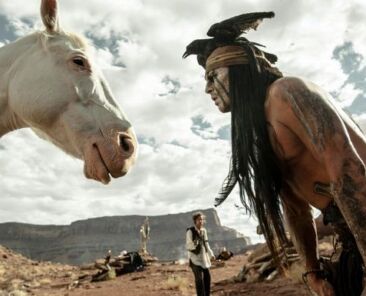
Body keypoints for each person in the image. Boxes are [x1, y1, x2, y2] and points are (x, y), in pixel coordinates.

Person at [183, 11, 366, 296]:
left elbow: (349, 168)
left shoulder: (286, 93)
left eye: (212, 75)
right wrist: (313, 273)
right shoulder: (261, 135)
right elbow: (296, 210)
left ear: (239, 69)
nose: (207, 88)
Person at [186, 212, 215, 296]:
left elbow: (206, 244)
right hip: (194, 259)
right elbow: (188, 245)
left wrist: (211, 254)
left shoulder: (203, 231)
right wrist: (196, 243)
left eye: (202, 219)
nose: (201, 221)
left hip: (204, 259)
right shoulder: (190, 231)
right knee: (199, 280)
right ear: (195, 221)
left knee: (207, 278)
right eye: (199, 219)